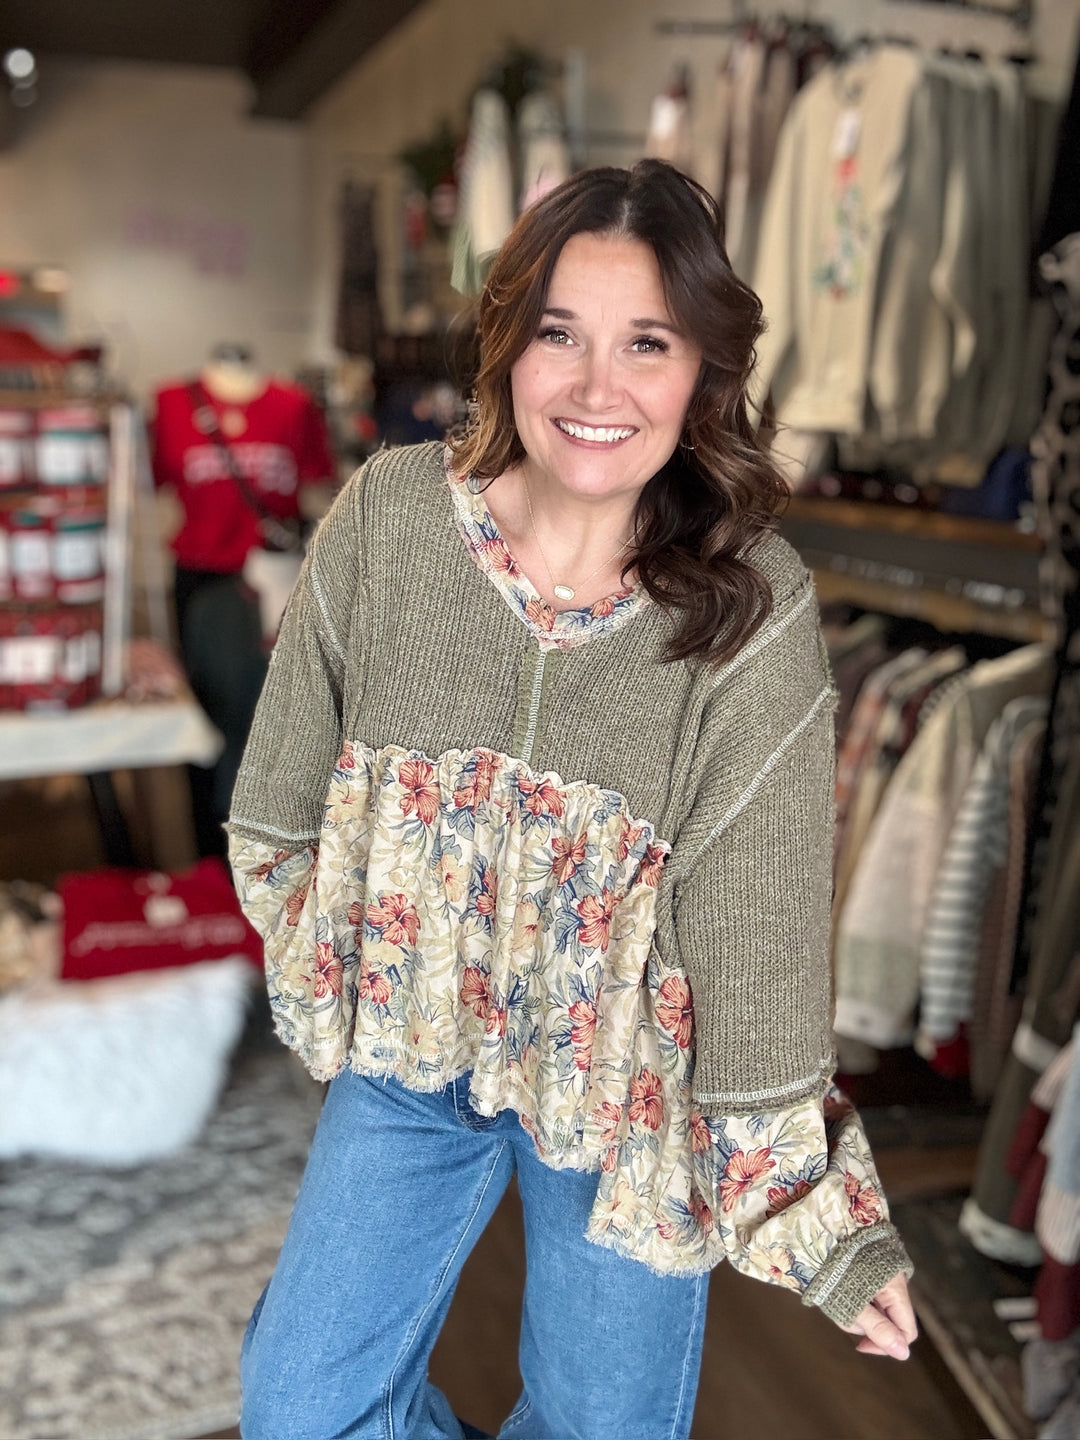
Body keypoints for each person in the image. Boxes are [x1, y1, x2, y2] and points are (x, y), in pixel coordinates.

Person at [227, 160, 917, 1440]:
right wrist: (357, 957)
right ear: (508, 348)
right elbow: (276, 808)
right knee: (300, 1407)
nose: (599, 389)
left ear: (702, 372)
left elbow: (756, 934)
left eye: (647, 343)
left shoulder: (752, 605)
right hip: (409, 1053)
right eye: (561, 335)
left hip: (631, 1099)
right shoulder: (390, 520)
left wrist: (813, 1217)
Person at [152, 345, 335, 856]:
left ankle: (289, 844)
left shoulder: (293, 404)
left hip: (278, 578)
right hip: (200, 576)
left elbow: (319, 484)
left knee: (285, 713)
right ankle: (209, 851)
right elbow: (151, 483)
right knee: (207, 719)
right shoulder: (171, 403)